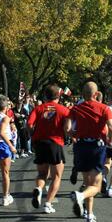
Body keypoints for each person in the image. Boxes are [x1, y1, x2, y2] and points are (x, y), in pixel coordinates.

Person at [65, 82, 112, 222]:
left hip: (80, 146)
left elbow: (67, 127)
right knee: (96, 186)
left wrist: (72, 134)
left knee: (88, 183)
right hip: (96, 146)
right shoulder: (104, 108)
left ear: (82, 94)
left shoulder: (76, 108)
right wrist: (109, 141)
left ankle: (89, 216)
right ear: (96, 93)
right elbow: (111, 128)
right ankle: (80, 196)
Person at [27, 85, 70, 214]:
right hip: (55, 143)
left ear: (45, 96)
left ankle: (39, 189)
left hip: (40, 143)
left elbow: (29, 124)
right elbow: (67, 129)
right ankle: (48, 203)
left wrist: (33, 136)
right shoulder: (64, 110)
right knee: (56, 176)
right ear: (59, 96)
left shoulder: (38, 109)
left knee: (42, 174)